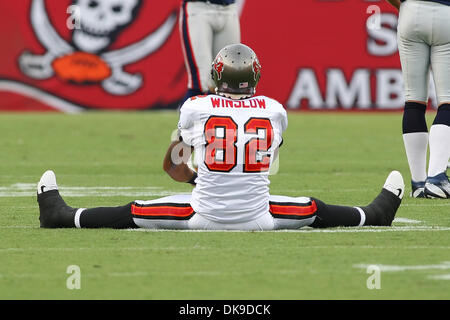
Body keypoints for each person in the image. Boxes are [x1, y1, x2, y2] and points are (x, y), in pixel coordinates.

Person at [37, 44, 405, 231]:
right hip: (260, 215)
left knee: (136, 211)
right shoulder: (275, 110)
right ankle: (374, 215)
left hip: (204, 213)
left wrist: (201, 176)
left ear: (217, 74)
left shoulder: (195, 107)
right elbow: (266, 161)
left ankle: (63, 217)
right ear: (256, 76)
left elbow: (173, 166)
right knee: (312, 208)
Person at [386, 0, 450, 198]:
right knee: (447, 101)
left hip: (411, 12)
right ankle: (436, 178)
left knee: (414, 100)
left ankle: (419, 183)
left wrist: (404, 7)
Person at [179, 0, 241, 101]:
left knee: (228, 81)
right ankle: (186, 117)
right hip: (199, 8)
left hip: (229, 8)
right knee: (201, 82)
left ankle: (221, 117)